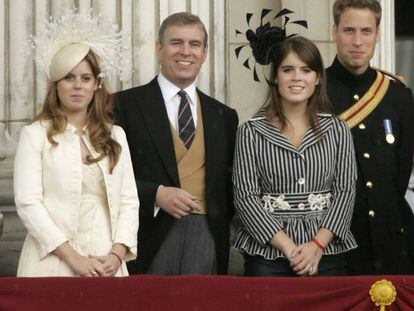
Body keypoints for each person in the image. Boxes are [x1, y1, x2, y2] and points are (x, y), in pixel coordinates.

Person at [14, 11, 139, 277]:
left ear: (96, 84)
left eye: (85, 78)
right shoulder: (34, 135)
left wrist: (117, 254)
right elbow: (28, 203)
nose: (77, 86)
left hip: (107, 260)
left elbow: (129, 201)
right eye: (69, 77)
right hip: (51, 260)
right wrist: (73, 258)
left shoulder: (115, 136)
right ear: (56, 84)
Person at [115, 12, 238, 275]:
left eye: (195, 44)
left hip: (207, 239)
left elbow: (230, 184)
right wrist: (155, 194)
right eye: (176, 43)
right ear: (159, 49)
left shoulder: (224, 116)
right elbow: (105, 177)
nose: (186, 51)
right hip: (146, 236)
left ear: (204, 53)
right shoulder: (122, 105)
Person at [233, 35, 357, 277]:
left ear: (318, 78)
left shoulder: (337, 129)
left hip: (327, 253)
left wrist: (317, 245)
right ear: (275, 77)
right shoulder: (250, 131)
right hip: (267, 255)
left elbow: (345, 192)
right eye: (287, 69)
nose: (297, 78)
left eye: (306, 70)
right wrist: (288, 247)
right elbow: (245, 197)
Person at [327, 0, 414, 275]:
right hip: (335, 242)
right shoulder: (313, 89)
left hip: (391, 239)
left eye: (366, 31)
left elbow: (402, 172)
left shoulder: (398, 95)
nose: (357, 41)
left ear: (377, 34)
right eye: (349, 30)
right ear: (334, 32)